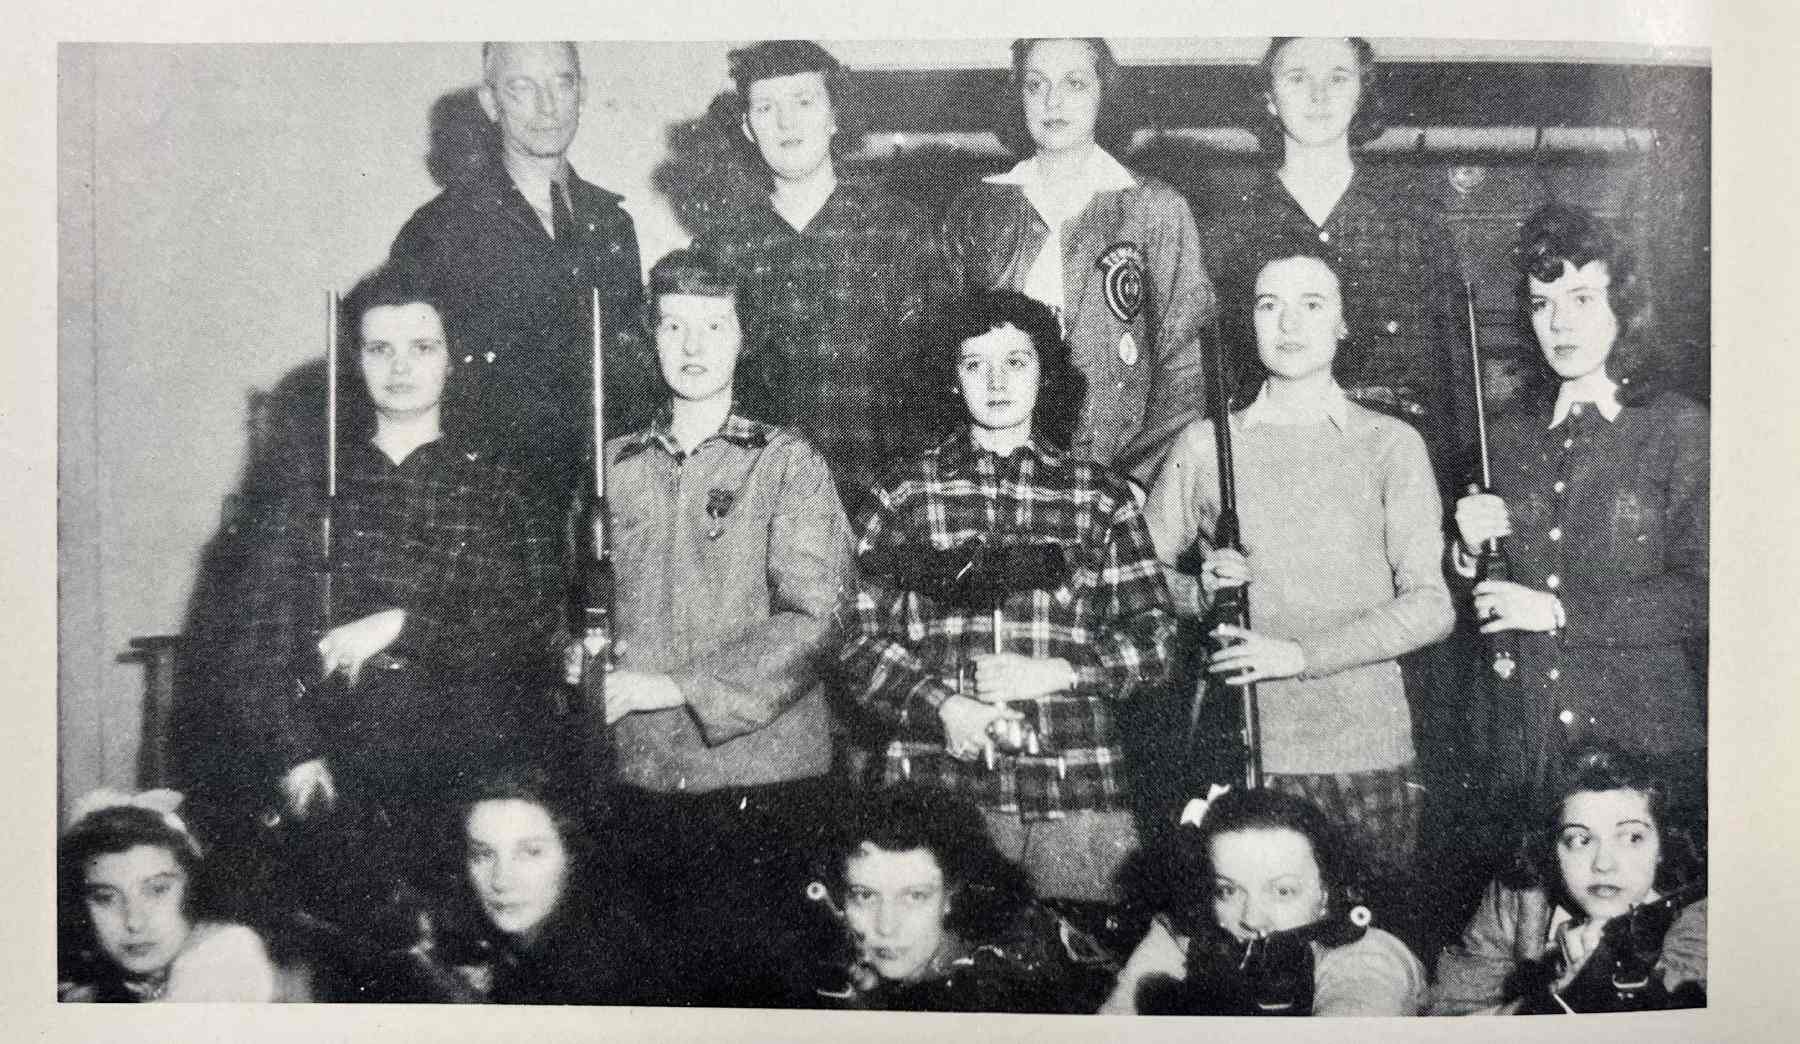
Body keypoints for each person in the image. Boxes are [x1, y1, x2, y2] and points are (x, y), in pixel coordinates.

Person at [220, 265, 564, 928]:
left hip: (473, 758)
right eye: (380, 350)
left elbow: (525, 620)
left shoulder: (500, 486)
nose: (400, 368)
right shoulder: (312, 488)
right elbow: (258, 640)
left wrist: (401, 625)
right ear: (356, 361)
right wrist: (294, 754)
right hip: (342, 761)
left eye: (421, 348)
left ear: (452, 359)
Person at [841, 289, 1175, 905]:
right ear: (950, 377)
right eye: (974, 364)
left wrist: (1057, 671)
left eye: (1016, 362)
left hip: (1078, 793)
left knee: (1086, 976)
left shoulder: (1097, 496)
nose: (996, 381)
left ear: (1045, 375)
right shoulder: (903, 494)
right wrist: (945, 706)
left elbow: (1157, 640)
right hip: (937, 791)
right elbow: (856, 642)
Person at [584, 246, 853, 1004]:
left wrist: (668, 687)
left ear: (744, 339)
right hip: (638, 778)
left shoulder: (786, 462)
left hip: (761, 785)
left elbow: (818, 616)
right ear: (650, 338)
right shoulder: (610, 465)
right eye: (674, 326)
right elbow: (569, 610)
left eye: (713, 325)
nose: (693, 347)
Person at [1143, 252, 1453, 867]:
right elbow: (1133, 585)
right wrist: (1200, 588)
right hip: (1249, 752)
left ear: (1342, 324)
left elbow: (1432, 606)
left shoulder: (1391, 444)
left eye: (1311, 305)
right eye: (1269, 305)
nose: (1289, 324)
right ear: (1248, 323)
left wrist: (1300, 658)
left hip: (1367, 753)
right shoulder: (1207, 444)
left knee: (1366, 948)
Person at [1452, 202, 1707, 814]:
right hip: (1526, 753)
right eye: (1542, 304)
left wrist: (1558, 611)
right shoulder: (1505, 438)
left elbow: (1709, 595)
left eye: (1582, 299)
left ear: (1626, 304)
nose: (1559, 323)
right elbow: (1479, 603)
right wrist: (1464, 555)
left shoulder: (1679, 430)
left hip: (1645, 753)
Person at [389, 41, 657, 525]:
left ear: (583, 92)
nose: (548, 106)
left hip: (602, 505)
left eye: (562, 83)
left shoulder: (612, 223)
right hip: (489, 513)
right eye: (522, 88)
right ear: (491, 104)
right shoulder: (440, 229)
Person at [941, 37, 1213, 488]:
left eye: (1075, 83)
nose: (1053, 102)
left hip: (1120, 477)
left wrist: (1142, 482)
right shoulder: (979, 207)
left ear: (1103, 93)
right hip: (1000, 482)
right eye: (1036, 85)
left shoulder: (1154, 207)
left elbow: (1185, 362)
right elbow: (949, 355)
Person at [695, 39, 948, 516]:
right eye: (766, 108)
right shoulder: (719, 247)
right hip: (760, 511)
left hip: (886, 507)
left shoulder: (899, 227)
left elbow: (939, 379)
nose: (786, 123)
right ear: (748, 128)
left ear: (836, 116)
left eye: (804, 102)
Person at [1202, 36, 1464, 483]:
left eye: (1337, 78)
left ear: (1361, 93)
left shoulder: (1416, 221)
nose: (1318, 96)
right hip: (1274, 470)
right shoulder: (1230, 229)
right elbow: (1218, 377)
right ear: (1269, 98)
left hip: (1394, 476)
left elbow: (1453, 377)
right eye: (1298, 78)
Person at [1101, 786, 1427, 1016]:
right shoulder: (1181, 939)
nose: (1252, 918)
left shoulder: (1369, 957)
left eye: (1283, 891)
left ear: (1328, 892)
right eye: (1227, 891)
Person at [1431, 742, 1706, 1014]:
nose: (1603, 864)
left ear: (1663, 845)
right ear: (1552, 848)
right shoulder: (1515, 900)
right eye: (1579, 840)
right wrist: (1556, 1002)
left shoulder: (1700, 921)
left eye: (1632, 837)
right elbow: (1449, 1014)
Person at [800, 785, 1117, 1012]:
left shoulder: (999, 992)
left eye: (914, 896)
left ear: (954, 894)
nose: (886, 926)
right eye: (865, 895)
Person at [410, 763, 662, 1005]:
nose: (500, 880)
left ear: (572, 856)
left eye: (531, 852)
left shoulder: (603, 972)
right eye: (483, 854)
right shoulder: (513, 940)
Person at [59, 789, 282, 1002]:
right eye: (105, 898)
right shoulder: (83, 991)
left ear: (193, 889)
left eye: (157, 890)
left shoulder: (226, 961)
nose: (134, 922)